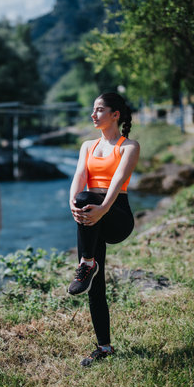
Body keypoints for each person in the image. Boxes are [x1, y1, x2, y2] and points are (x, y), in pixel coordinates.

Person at [69, 92, 140, 367]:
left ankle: (86, 262)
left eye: (99, 109)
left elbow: (117, 181)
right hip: (90, 214)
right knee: (94, 286)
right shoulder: (87, 145)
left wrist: (102, 208)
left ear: (115, 115)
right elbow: (79, 176)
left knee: (87, 198)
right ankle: (104, 347)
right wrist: (72, 206)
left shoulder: (128, 146)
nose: (93, 114)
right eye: (93, 109)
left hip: (116, 215)